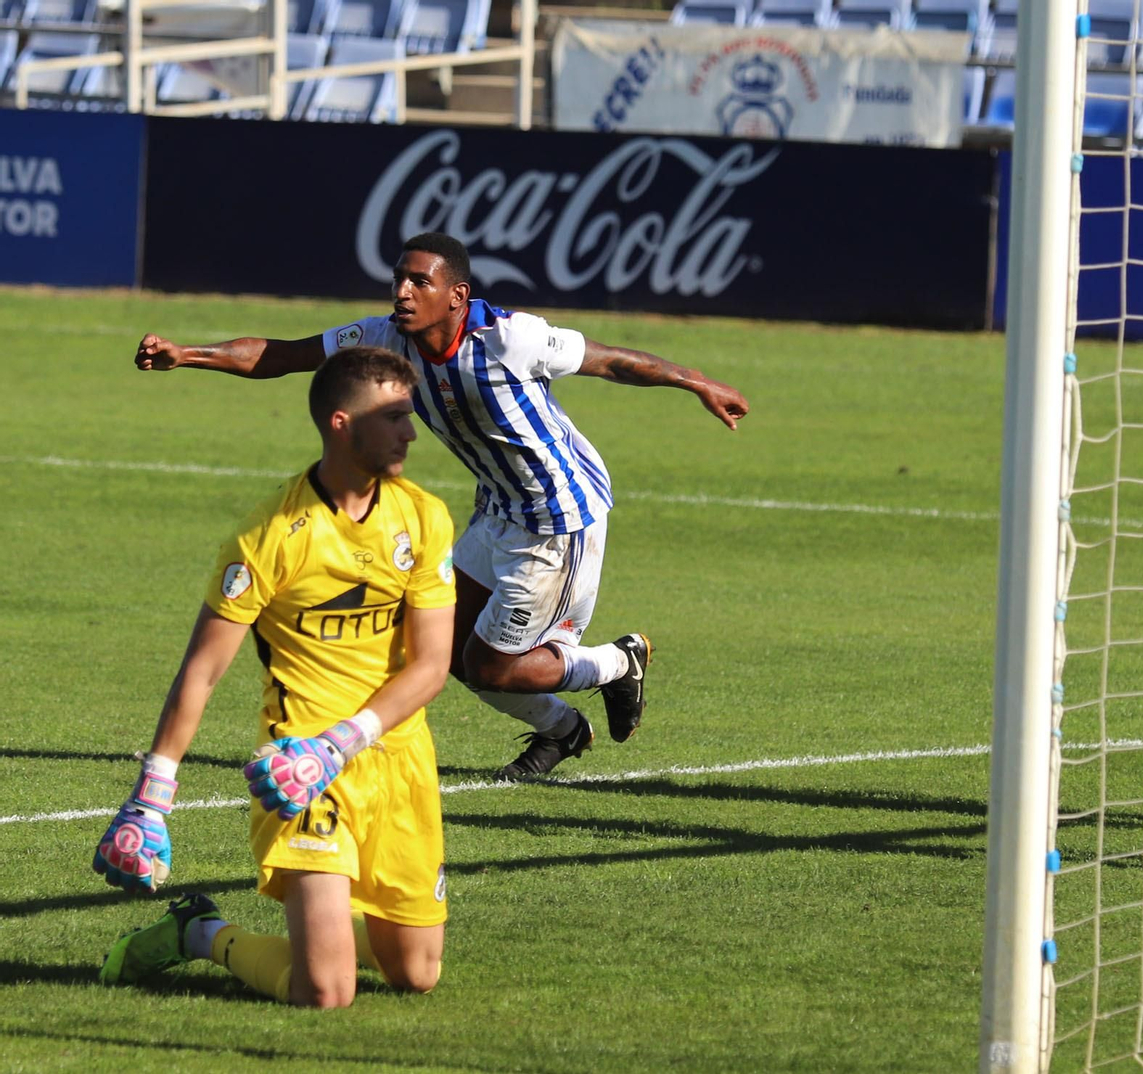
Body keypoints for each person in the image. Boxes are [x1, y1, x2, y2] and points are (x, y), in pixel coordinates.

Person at [133, 232, 751, 780]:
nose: (402, 292)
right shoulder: (385, 337)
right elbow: (288, 354)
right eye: (398, 279)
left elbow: (612, 361)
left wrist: (697, 382)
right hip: (498, 507)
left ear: (456, 296)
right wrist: (189, 355)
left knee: (493, 667)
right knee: (440, 646)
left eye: (418, 282)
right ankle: (564, 731)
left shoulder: (510, 337)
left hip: (558, 518)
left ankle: (619, 662)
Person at [94, 346, 457, 1007]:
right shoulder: (270, 534)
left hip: (394, 758)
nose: (411, 433)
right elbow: (202, 670)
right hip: (297, 768)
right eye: (395, 417)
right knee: (327, 989)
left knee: (416, 973)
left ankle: (326, 931)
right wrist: (152, 796)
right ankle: (202, 932)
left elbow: (433, 665)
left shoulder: (424, 516)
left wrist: (343, 742)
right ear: (342, 424)